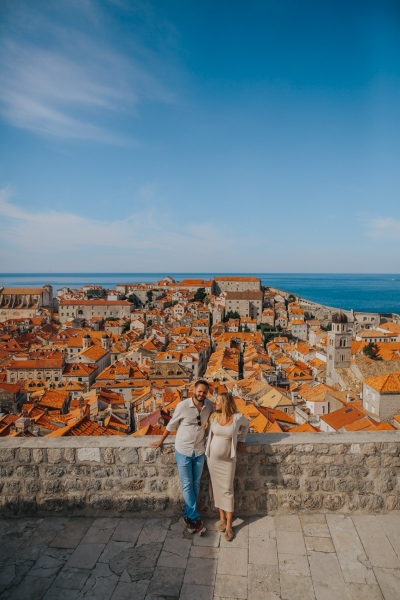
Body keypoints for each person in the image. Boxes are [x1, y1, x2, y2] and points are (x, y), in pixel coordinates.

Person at [150, 379, 214, 535]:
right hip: (183, 450)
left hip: (199, 450)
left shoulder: (209, 406)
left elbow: (213, 424)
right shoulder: (183, 406)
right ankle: (196, 519)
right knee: (187, 485)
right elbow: (171, 425)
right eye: (199, 391)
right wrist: (161, 440)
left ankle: (187, 517)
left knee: (196, 484)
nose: (202, 394)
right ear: (194, 390)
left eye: (204, 392)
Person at [205, 392, 249, 541]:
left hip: (228, 461)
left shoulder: (237, 417)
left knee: (228, 490)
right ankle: (222, 518)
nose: (215, 403)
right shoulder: (213, 417)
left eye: (217, 401)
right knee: (216, 488)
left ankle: (229, 525)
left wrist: (242, 440)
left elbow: (247, 424)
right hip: (212, 459)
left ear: (225, 402)